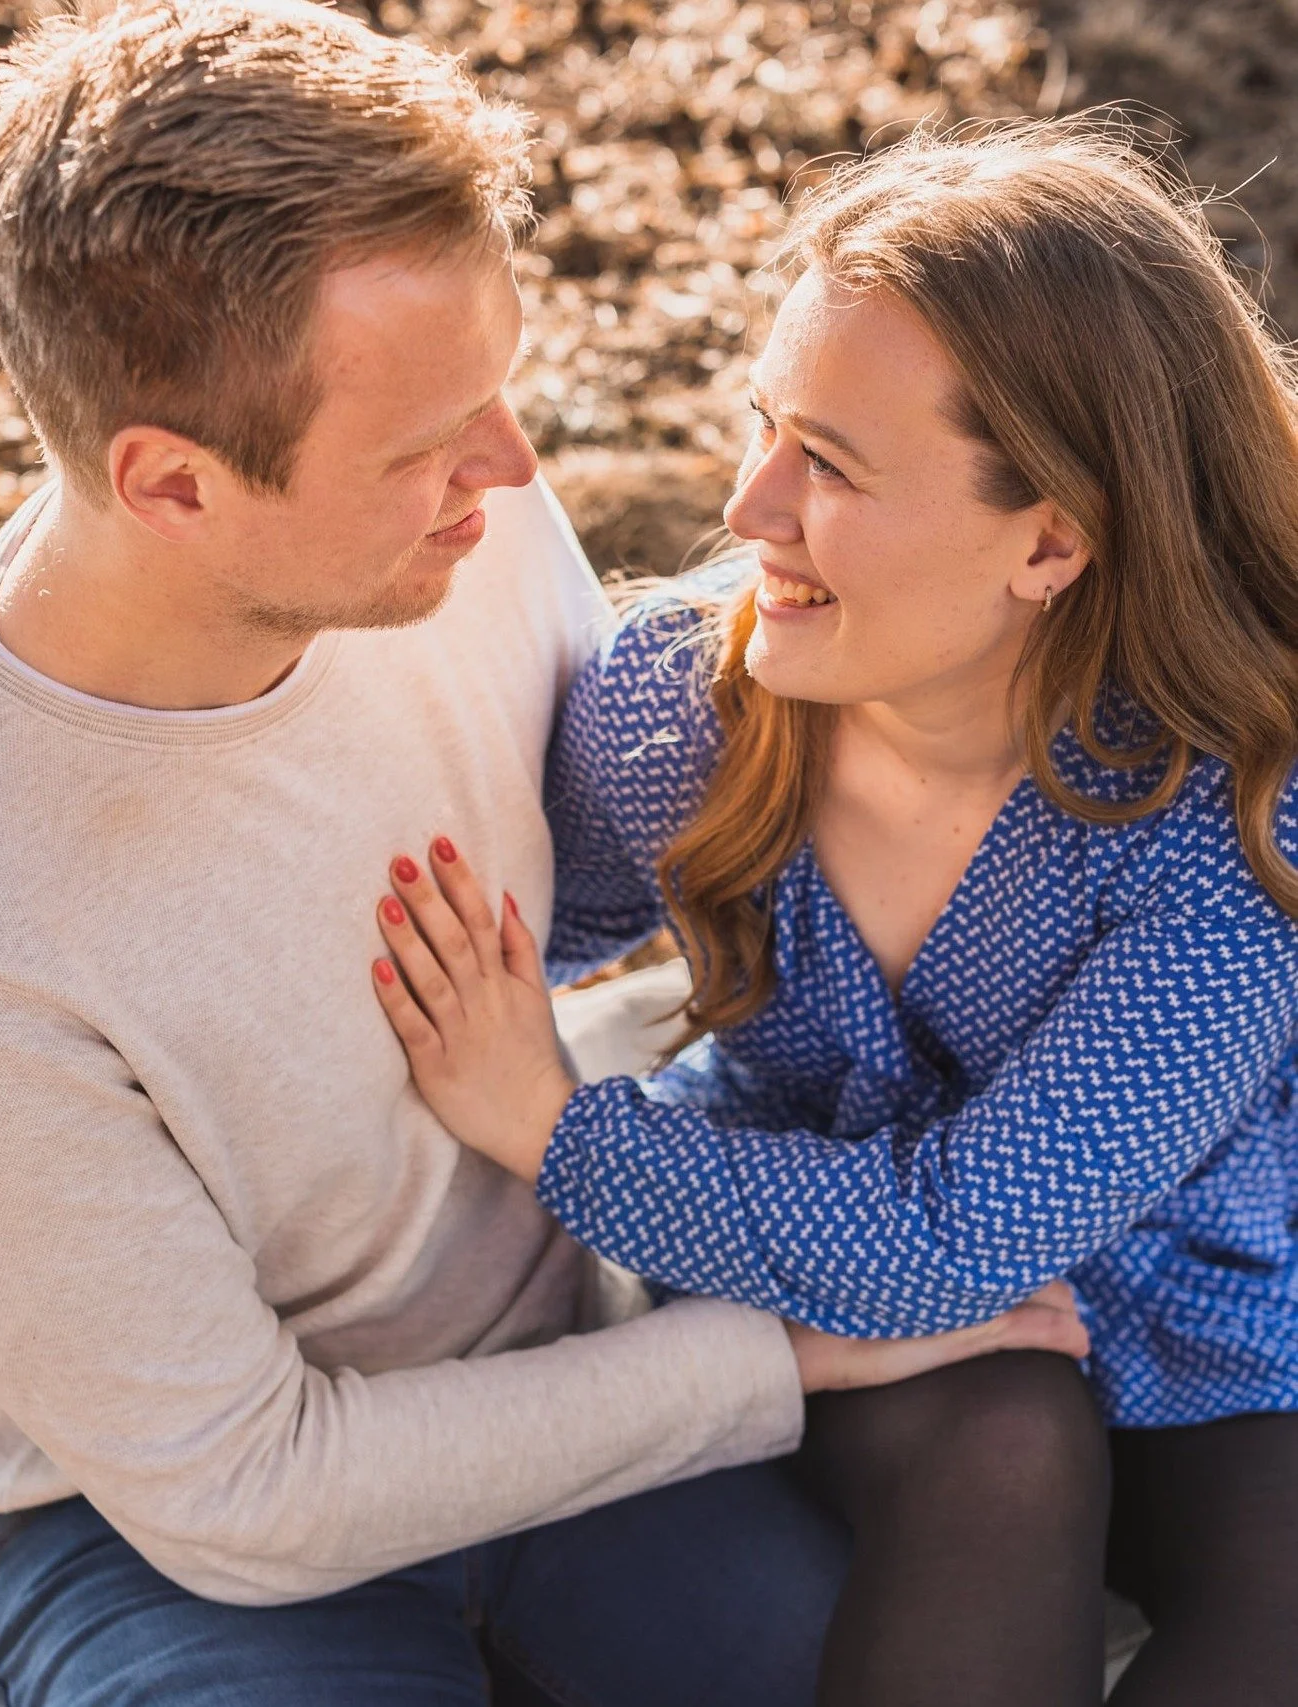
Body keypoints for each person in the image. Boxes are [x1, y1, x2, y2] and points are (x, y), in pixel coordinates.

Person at [0, 8, 1088, 1706]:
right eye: (424, 445)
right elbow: (251, 1492)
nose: (516, 471)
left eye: (495, 391)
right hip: (154, 1528)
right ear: (172, 485)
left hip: (558, 1365)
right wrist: (784, 1348)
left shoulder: (436, 523)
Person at [371, 123, 1298, 1707]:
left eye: (833, 465)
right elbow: (527, 921)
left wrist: (555, 1128)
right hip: (818, 1290)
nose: (747, 506)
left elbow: (951, 1235)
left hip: (1217, 1329)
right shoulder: (682, 713)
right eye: (765, 429)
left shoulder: (1228, 839)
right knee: (1008, 1438)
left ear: (1051, 538)